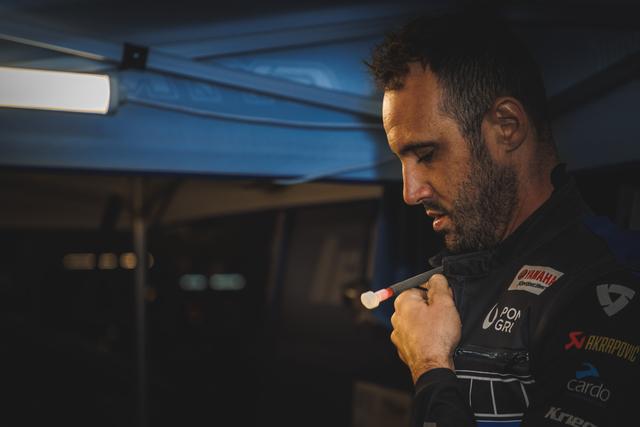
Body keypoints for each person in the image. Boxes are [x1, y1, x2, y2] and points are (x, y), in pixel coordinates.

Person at [367, 12, 640, 427]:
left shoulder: (609, 282)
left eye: (426, 155)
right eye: (400, 162)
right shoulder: (461, 273)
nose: (411, 192)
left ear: (507, 127)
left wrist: (430, 366)